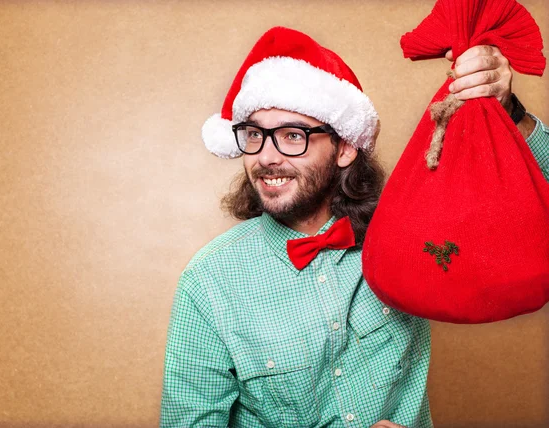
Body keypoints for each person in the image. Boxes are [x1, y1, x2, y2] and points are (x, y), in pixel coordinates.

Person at [160, 27, 549, 428]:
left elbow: (530, 214)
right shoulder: (208, 281)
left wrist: (509, 115)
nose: (267, 157)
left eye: (293, 135)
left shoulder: (408, 233)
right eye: (255, 135)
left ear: (345, 147)